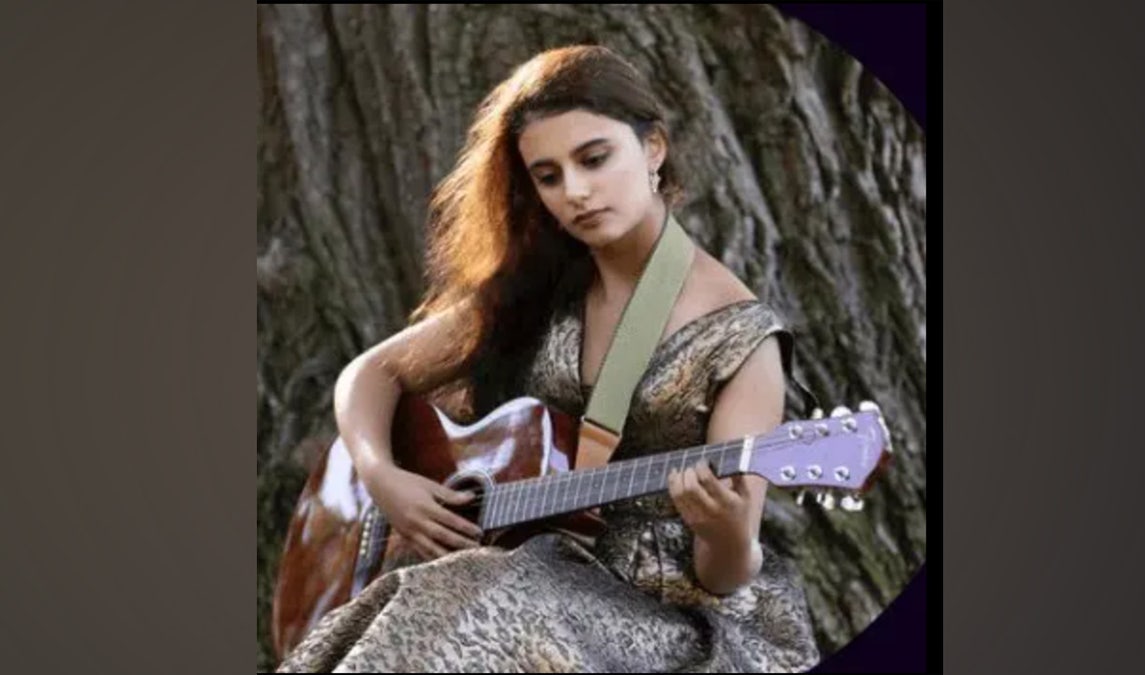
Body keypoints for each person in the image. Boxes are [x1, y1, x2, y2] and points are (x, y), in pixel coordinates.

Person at [277, 44, 821, 673]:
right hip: (520, 567)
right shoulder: (546, 288)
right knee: (440, 594)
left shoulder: (742, 339)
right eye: (549, 175)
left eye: (594, 159)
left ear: (653, 149)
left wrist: (726, 535)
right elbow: (370, 373)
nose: (576, 193)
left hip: (668, 612)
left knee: (470, 597)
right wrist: (384, 479)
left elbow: (725, 574)